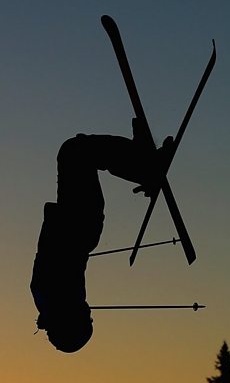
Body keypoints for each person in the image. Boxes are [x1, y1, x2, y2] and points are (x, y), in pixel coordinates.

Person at [31, 123, 172, 352]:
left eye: (87, 318)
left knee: (76, 152)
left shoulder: (55, 301)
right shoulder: (52, 300)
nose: (89, 312)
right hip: (79, 223)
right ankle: (144, 166)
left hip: (78, 224)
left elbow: (57, 263)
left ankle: (142, 164)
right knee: (75, 151)